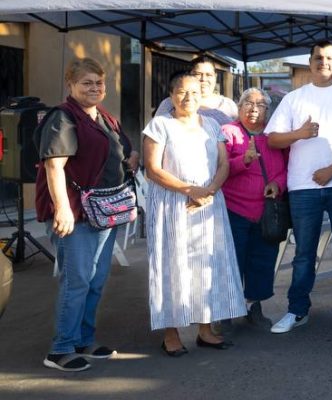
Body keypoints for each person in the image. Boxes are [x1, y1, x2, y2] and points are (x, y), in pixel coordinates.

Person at [37, 58, 135, 372]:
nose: (94, 88)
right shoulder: (63, 118)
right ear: (71, 86)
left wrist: (128, 157)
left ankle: (83, 340)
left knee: (96, 280)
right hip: (76, 213)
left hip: (106, 210)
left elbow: (120, 151)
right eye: (86, 83)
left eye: (98, 83)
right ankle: (60, 349)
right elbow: (54, 166)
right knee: (76, 281)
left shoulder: (104, 117)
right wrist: (62, 208)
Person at [144, 72, 246, 356]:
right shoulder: (160, 125)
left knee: (207, 266)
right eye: (181, 92)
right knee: (171, 267)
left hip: (209, 204)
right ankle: (171, 332)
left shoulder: (212, 124)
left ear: (202, 97)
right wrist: (190, 190)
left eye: (194, 92)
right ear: (171, 95)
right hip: (171, 205)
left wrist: (209, 191)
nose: (188, 97)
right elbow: (153, 169)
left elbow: (224, 164)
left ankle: (205, 329)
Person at [265, 41, 332, 334]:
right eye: (318, 58)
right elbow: (272, 139)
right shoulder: (294, 99)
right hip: (302, 187)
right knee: (304, 252)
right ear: (310, 62)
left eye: (330, 58)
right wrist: (300, 133)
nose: (324, 62)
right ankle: (297, 310)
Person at [220, 87, 288, 329]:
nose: (254, 109)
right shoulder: (228, 132)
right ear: (239, 108)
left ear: (268, 111)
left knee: (262, 260)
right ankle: (226, 309)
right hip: (233, 208)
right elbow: (219, 168)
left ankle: (253, 305)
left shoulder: (275, 136)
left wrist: (277, 184)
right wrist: (244, 160)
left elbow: (287, 168)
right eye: (248, 103)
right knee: (231, 261)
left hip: (266, 211)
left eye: (260, 105)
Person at [155, 55, 237, 125]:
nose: (203, 79)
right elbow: (154, 134)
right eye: (198, 74)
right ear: (189, 74)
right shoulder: (171, 102)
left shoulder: (228, 105)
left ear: (215, 76)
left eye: (209, 75)